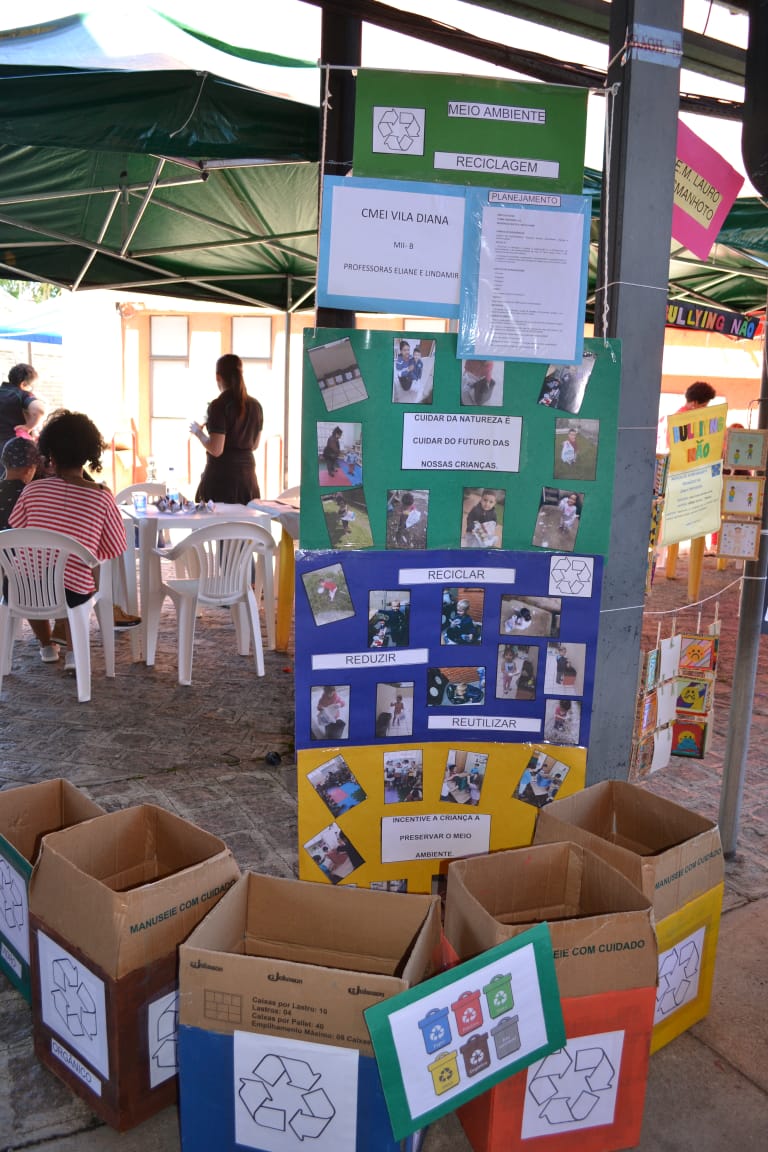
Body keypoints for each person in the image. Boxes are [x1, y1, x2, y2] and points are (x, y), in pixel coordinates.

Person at [8, 411, 128, 673]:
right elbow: (113, 549)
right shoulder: (101, 498)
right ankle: (75, 652)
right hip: (72, 594)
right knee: (84, 570)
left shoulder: (32, 490)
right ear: (89, 454)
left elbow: (16, 530)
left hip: (24, 590)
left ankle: (47, 646)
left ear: (50, 452)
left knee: (30, 570)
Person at [0, 436, 61, 662]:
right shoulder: (35, 495)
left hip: (9, 583)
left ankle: (46, 644)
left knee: (22, 576)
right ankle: (56, 643)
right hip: (45, 581)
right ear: (31, 467)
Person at [189, 353, 263, 503]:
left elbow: (216, 450)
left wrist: (198, 433)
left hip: (222, 481)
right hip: (247, 480)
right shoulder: (256, 406)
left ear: (218, 376)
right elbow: (254, 445)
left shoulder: (219, 405)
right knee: (243, 526)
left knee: (216, 526)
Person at [0, 365, 45, 477]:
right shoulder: (21, 394)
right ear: (24, 384)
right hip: (12, 451)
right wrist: (28, 426)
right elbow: (39, 410)